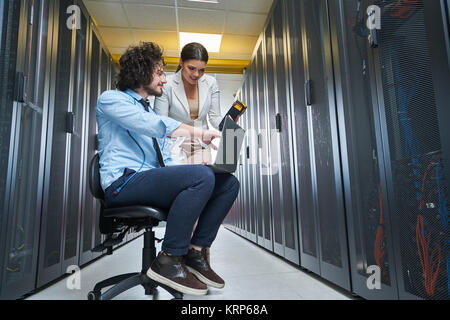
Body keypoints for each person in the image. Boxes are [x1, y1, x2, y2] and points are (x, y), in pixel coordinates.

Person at [96, 42, 240, 296]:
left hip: (148, 181)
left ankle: (195, 253)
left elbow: (165, 159)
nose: (164, 78)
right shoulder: (111, 100)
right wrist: (200, 134)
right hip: (123, 184)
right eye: (160, 72)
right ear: (142, 72)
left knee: (227, 183)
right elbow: (152, 125)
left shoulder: (148, 109)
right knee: (200, 176)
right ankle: (169, 259)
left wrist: (199, 168)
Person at [154, 42, 222, 165]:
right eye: (191, 68)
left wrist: (227, 122)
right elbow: (161, 121)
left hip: (200, 142)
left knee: (204, 177)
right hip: (174, 141)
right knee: (181, 179)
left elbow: (215, 117)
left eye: (201, 70)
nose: (196, 74)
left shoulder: (211, 83)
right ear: (181, 62)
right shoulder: (166, 84)